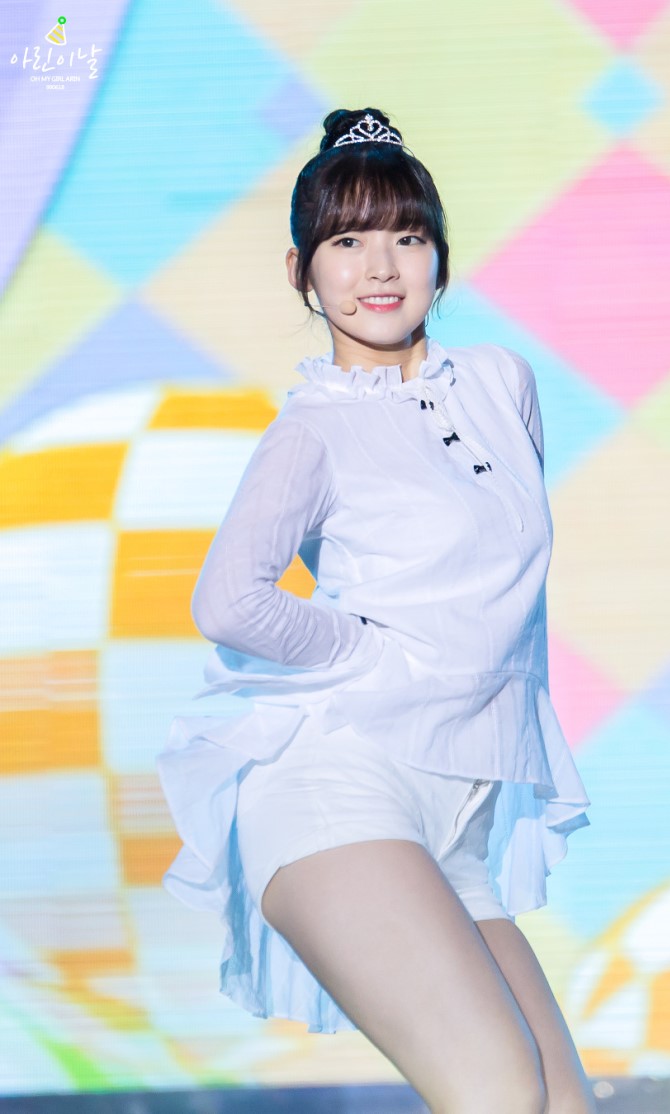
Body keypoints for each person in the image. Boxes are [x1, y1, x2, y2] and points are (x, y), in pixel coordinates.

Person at [157, 107, 596, 1114]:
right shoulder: (311, 431)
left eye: (407, 234)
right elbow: (228, 600)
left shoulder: (501, 383)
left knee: (561, 1107)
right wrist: (361, 648)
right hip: (338, 789)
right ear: (302, 273)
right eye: (346, 242)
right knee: (496, 1094)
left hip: (458, 816)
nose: (381, 266)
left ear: (440, 255)